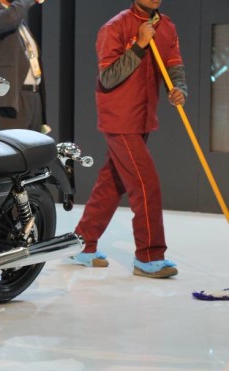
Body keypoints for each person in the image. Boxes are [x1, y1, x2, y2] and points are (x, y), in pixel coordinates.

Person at [71, 0, 187, 278]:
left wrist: (179, 89)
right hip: (120, 119)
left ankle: (82, 243)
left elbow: (174, 66)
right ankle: (149, 256)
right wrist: (140, 44)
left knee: (111, 183)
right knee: (146, 184)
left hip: (143, 117)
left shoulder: (167, 26)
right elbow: (108, 78)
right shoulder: (115, 27)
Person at [0, 0, 49, 133]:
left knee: (34, 146)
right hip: (9, 101)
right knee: (15, 145)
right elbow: (10, 17)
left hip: (32, 97)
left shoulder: (19, 22)